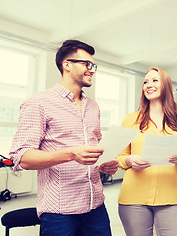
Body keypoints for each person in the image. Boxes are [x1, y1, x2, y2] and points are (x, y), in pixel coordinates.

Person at [9, 40, 119, 236]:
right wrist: (70, 154)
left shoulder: (93, 107)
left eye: (93, 66)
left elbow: (95, 147)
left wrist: (103, 163)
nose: (92, 70)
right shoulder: (38, 103)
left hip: (96, 206)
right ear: (67, 64)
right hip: (60, 212)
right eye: (87, 64)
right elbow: (21, 157)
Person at [116, 67, 177, 236]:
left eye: (154, 80)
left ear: (165, 85)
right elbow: (120, 157)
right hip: (134, 197)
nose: (148, 85)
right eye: (145, 82)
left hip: (171, 196)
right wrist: (129, 160)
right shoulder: (131, 119)